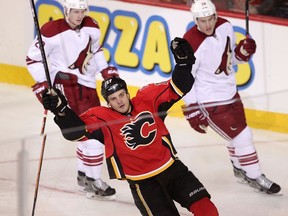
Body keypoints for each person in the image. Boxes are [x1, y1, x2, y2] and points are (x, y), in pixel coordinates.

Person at [41, 37, 219, 216]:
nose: (119, 101)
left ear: (127, 93)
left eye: (121, 95)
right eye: (113, 99)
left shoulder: (148, 99)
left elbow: (179, 87)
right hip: (144, 184)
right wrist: (61, 110)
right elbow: (75, 133)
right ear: (108, 102)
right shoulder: (102, 118)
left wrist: (183, 64)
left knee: (208, 210)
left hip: (173, 169)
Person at [181, 0, 281, 194]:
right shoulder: (190, 42)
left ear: (216, 16)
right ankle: (255, 175)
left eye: (211, 19)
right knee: (243, 136)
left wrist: (242, 52)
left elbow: (229, 58)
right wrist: (192, 109)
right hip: (209, 100)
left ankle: (239, 169)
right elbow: (185, 78)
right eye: (202, 21)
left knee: (235, 138)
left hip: (230, 93)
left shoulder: (225, 26)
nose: (208, 24)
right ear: (195, 20)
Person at [26, 0, 117, 200]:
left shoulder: (92, 25)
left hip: (88, 86)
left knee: (89, 132)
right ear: (67, 10)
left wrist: (106, 70)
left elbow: (97, 50)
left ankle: (84, 176)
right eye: (75, 11)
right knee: (93, 134)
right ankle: (93, 182)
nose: (79, 15)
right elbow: (33, 58)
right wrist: (43, 83)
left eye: (82, 11)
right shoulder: (51, 30)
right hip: (66, 86)